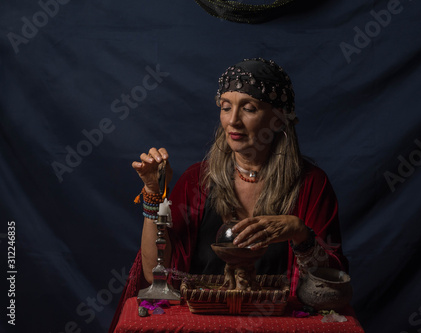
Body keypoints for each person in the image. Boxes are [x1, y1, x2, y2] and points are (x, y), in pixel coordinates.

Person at [109, 58, 348, 332]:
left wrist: (300, 234)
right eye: (225, 107)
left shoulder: (311, 185)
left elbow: (331, 284)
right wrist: (153, 194)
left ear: (279, 118)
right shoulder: (196, 182)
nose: (233, 120)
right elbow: (155, 274)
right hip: (201, 326)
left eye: (248, 108)